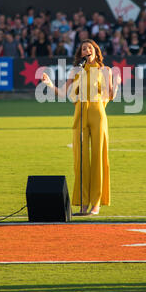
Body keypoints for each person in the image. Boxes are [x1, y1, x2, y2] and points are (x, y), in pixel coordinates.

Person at [41, 39, 121, 215]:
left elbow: (110, 95)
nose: (86, 50)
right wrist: (49, 84)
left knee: (99, 157)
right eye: (83, 49)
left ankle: (96, 204)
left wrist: (117, 84)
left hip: (98, 113)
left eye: (89, 48)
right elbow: (63, 93)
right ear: (81, 54)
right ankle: (83, 203)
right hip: (80, 114)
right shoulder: (76, 71)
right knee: (81, 160)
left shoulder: (105, 70)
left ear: (96, 51)